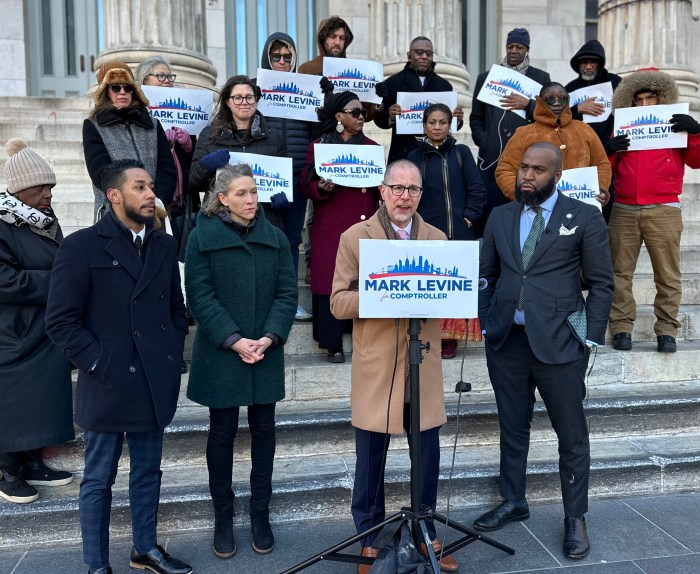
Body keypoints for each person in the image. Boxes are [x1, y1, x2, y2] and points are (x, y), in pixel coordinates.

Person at [45, 159, 191, 574]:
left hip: (151, 379)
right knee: (98, 480)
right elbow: (60, 321)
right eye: (140, 188)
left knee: (148, 472)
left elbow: (177, 311)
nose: (151, 195)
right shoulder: (81, 246)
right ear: (114, 196)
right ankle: (96, 565)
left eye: (151, 187)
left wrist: (169, 350)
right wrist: (98, 361)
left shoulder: (163, 244)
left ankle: (145, 549)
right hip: (108, 380)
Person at [474, 142, 613, 561]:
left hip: (560, 345)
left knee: (571, 435)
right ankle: (514, 500)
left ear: (557, 173)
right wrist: (486, 322)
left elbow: (603, 283)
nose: (527, 176)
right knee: (512, 427)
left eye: (537, 170)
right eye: (523, 169)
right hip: (507, 344)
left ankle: (576, 517)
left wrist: (588, 337)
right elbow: (486, 275)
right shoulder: (500, 216)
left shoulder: (585, 216)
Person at [330, 160, 457, 574]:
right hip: (379, 367)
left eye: (413, 189)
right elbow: (337, 302)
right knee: (370, 461)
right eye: (397, 188)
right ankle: (368, 538)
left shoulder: (437, 238)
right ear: (381, 191)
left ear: (422, 194)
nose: (405, 196)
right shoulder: (355, 236)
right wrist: (381, 292)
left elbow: (449, 295)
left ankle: (426, 533)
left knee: (428, 457)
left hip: (423, 365)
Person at [185, 163, 297, 559]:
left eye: (254, 191)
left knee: (264, 427)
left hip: (264, 349)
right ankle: (223, 517)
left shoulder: (276, 238)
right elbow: (199, 295)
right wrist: (234, 340)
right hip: (224, 351)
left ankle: (260, 514)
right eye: (241, 194)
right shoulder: (201, 237)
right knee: (222, 430)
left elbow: (287, 293)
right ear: (222, 199)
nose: (251, 200)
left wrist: (267, 337)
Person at [0, 139, 74, 504]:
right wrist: (56, 281)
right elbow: (4, 280)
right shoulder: (2, 222)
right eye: (41, 187)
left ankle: (32, 463)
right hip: (14, 327)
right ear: (19, 190)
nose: (48, 194)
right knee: (17, 399)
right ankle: (6, 469)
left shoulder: (43, 218)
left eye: (51, 187)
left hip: (43, 322)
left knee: (42, 396)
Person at [606, 68, 700, 353]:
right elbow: (606, 168)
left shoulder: (677, 124)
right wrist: (609, 148)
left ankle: (667, 330)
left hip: (664, 208)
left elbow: (696, 162)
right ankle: (621, 327)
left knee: (667, 274)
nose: (645, 103)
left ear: (662, 98)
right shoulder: (621, 125)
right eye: (640, 99)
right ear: (631, 101)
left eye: (651, 97)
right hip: (624, 207)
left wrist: (695, 133)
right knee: (619, 273)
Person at [300, 91, 380, 363]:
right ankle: (332, 342)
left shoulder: (372, 147)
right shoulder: (320, 146)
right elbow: (305, 184)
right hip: (330, 224)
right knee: (331, 279)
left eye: (363, 112)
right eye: (355, 112)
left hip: (363, 222)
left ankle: (361, 335)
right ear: (339, 116)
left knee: (360, 280)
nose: (361, 117)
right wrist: (319, 187)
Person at [406, 103, 486, 358]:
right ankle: (430, 335)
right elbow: (409, 195)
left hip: (460, 233)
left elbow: (477, 189)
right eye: (432, 122)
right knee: (432, 286)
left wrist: (470, 218)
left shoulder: (461, 153)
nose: (437, 127)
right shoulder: (414, 157)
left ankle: (451, 338)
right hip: (428, 234)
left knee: (454, 286)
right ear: (424, 125)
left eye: (442, 122)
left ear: (450, 125)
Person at [258, 32, 316, 322]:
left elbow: (318, 132)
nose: (282, 61)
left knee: (292, 240)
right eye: (276, 56)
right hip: (266, 181)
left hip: (297, 179)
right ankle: (266, 300)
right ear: (267, 58)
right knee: (266, 240)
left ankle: (289, 301)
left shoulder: (306, 92)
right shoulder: (256, 90)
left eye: (287, 57)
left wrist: (324, 100)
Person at [469, 28, 550, 233]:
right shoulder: (486, 77)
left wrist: (529, 105)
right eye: (510, 46)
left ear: (527, 50)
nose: (514, 50)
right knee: (491, 217)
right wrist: (485, 141)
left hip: (526, 162)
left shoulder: (541, 78)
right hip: (490, 161)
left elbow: (550, 115)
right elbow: (476, 118)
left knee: (522, 216)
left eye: (519, 47)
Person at [189, 75, 287, 231]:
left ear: (256, 100)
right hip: (221, 221)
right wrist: (206, 166)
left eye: (249, 97)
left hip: (264, 221)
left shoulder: (274, 136)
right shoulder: (209, 135)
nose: (244, 102)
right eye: (238, 98)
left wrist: (282, 200)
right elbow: (193, 183)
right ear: (228, 102)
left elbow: (284, 179)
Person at [83, 60, 176, 222]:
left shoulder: (152, 124)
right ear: (106, 91)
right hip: (114, 212)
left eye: (128, 87)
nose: (122, 92)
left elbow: (166, 168)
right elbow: (99, 172)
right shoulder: (93, 125)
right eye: (115, 87)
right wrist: (131, 199)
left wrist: (159, 199)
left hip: (153, 209)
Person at [495, 82, 612, 206]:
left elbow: (602, 164)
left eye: (562, 99)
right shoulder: (524, 133)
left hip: (580, 209)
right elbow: (505, 170)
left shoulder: (584, 130)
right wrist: (522, 197)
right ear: (540, 102)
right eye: (550, 99)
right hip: (536, 211)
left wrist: (600, 188)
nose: (556, 103)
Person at [135, 55, 198, 259]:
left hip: (182, 193)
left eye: (170, 76)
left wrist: (188, 144)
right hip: (155, 187)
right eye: (161, 76)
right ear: (145, 81)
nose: (167, 80)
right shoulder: (137, 111)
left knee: (184, 247)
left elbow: (198, 154)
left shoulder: (185, 106)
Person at [375, 36, 465, 164]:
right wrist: (390, 117)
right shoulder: (392, 83)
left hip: (436, 155)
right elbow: (379, 119)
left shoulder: (444, 86)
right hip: (403, 154)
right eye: (419, 52)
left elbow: (449, 124)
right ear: (409, 55)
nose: (424, 56)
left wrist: (458, 119)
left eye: (428, 53)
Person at [565, 40, 622, 223]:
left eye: (593, 62)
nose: (588, 66)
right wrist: (576, 109)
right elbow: (555, 118)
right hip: (577, 161)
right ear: (578, 65)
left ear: (600, 64)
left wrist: (612, 145)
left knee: (605, 213)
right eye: (584, 63)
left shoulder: (617, 84)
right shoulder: (569, 89)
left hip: (609, 158)